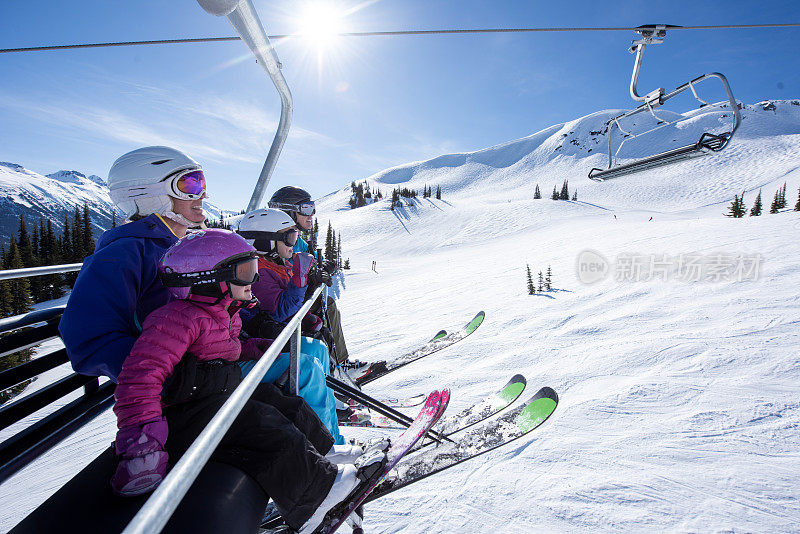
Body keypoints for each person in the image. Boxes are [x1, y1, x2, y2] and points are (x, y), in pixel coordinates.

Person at [111, 229, 386, 533]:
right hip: (177, 420)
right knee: (262, 423)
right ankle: (316, 496)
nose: (253, 280)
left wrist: (256, 347)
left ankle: (323, 449)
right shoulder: (177, 319)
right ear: (208, 279)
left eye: (254, 270)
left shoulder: (223, 313)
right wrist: (143, 443)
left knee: (281, 402)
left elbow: (228, 349)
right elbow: (139, 378)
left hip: (211, 401)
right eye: (245, 272)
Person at [60, 146, 207, 379]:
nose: (203, 195)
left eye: (201, 183)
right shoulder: (123, 254)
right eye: (190, 184)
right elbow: (90, 341)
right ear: (149, 193)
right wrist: (176, 377)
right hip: (175, 387)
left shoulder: (183, 247)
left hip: (210, 366)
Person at [236, 208, 345, 444]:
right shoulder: (260, 272)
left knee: (319, 350)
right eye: (289, 239)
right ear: (266, 241)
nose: (293, 245)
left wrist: (308, 282)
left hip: (275, 333)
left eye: (295, 238)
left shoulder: (276, 264)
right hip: (262, 339)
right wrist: (300, 278)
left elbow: (290, 306)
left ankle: (333, 433)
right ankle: (326, 442)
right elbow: (281, 308)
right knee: (307, 365)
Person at [268, 186, 371, 380]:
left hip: (291, 295)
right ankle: (338, 364)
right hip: (282, 301)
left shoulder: (296, 238)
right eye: (306, 209)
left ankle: (337, 363)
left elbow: (310, 259)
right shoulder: (279, 238)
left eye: (313, 208)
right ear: (288, 210)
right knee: (327, 308)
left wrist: (323, 266)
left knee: (327, 308)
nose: (311, 215)